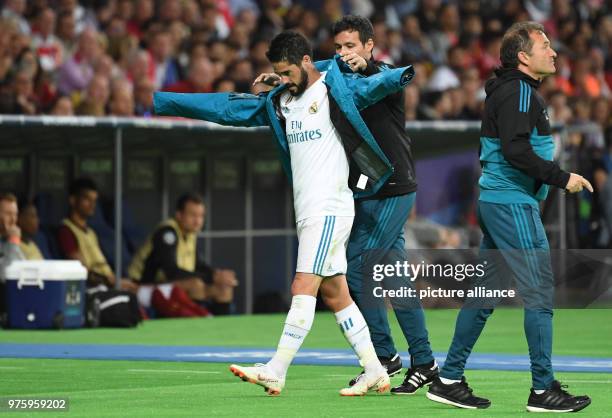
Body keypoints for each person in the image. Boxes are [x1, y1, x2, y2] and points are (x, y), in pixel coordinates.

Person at [154, 30, 416, 396]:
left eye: (289, 72)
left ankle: (276, 369)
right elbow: (228, 109)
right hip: (308, 211)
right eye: (280, 73)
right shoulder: (281, 101)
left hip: (330, 209)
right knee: (336, 293)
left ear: (307, 62)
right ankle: (374, 369)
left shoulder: (334, 90)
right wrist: (166, 102)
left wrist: (396, 72)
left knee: (302, 285)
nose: (286, 80)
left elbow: (377, 84)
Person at [426, 22, 592, 412]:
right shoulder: (518, 90)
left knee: (483, 296)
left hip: (499, 202)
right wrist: (561, 177)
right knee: (539, 294)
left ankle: (448, 379)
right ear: (523, 56)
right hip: (511, 204)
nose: (553, 52)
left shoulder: (515, 90)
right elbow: (516, 151)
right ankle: (542, 390)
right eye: (545, 45)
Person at [329, 15, 438, 394]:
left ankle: (384, 355)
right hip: (369, 189)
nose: (344, 54)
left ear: (369, 46)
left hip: (394, 187)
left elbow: (384, 78)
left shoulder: (385, 76)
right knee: (395, 278)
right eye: (339, 47)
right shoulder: (337, 82)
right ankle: (421, 361)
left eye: (351, 46)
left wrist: (369, 68)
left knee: (357, 265)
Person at [128, 193, 237, 315]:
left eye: (201, 216)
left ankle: (221, 330)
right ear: (179, 215)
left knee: (223, 287)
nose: (198, 221)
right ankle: (197, 326)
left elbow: (198, 265)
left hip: (171, 285)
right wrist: (212, 277)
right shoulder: (167, 233)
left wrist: (218, 274)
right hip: (142, 286)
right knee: (195, 285)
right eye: (193, 215)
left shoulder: (189, 233)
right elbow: (171, 272)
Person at [57, 178, 137, 292]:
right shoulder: (66, 231)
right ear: (73, 200)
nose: (92, 205)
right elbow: (81, 271)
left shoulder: (91, 233)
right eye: (87, 199)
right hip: (91, 289)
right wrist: (113, 282)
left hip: (108, 285)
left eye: (94, 200)